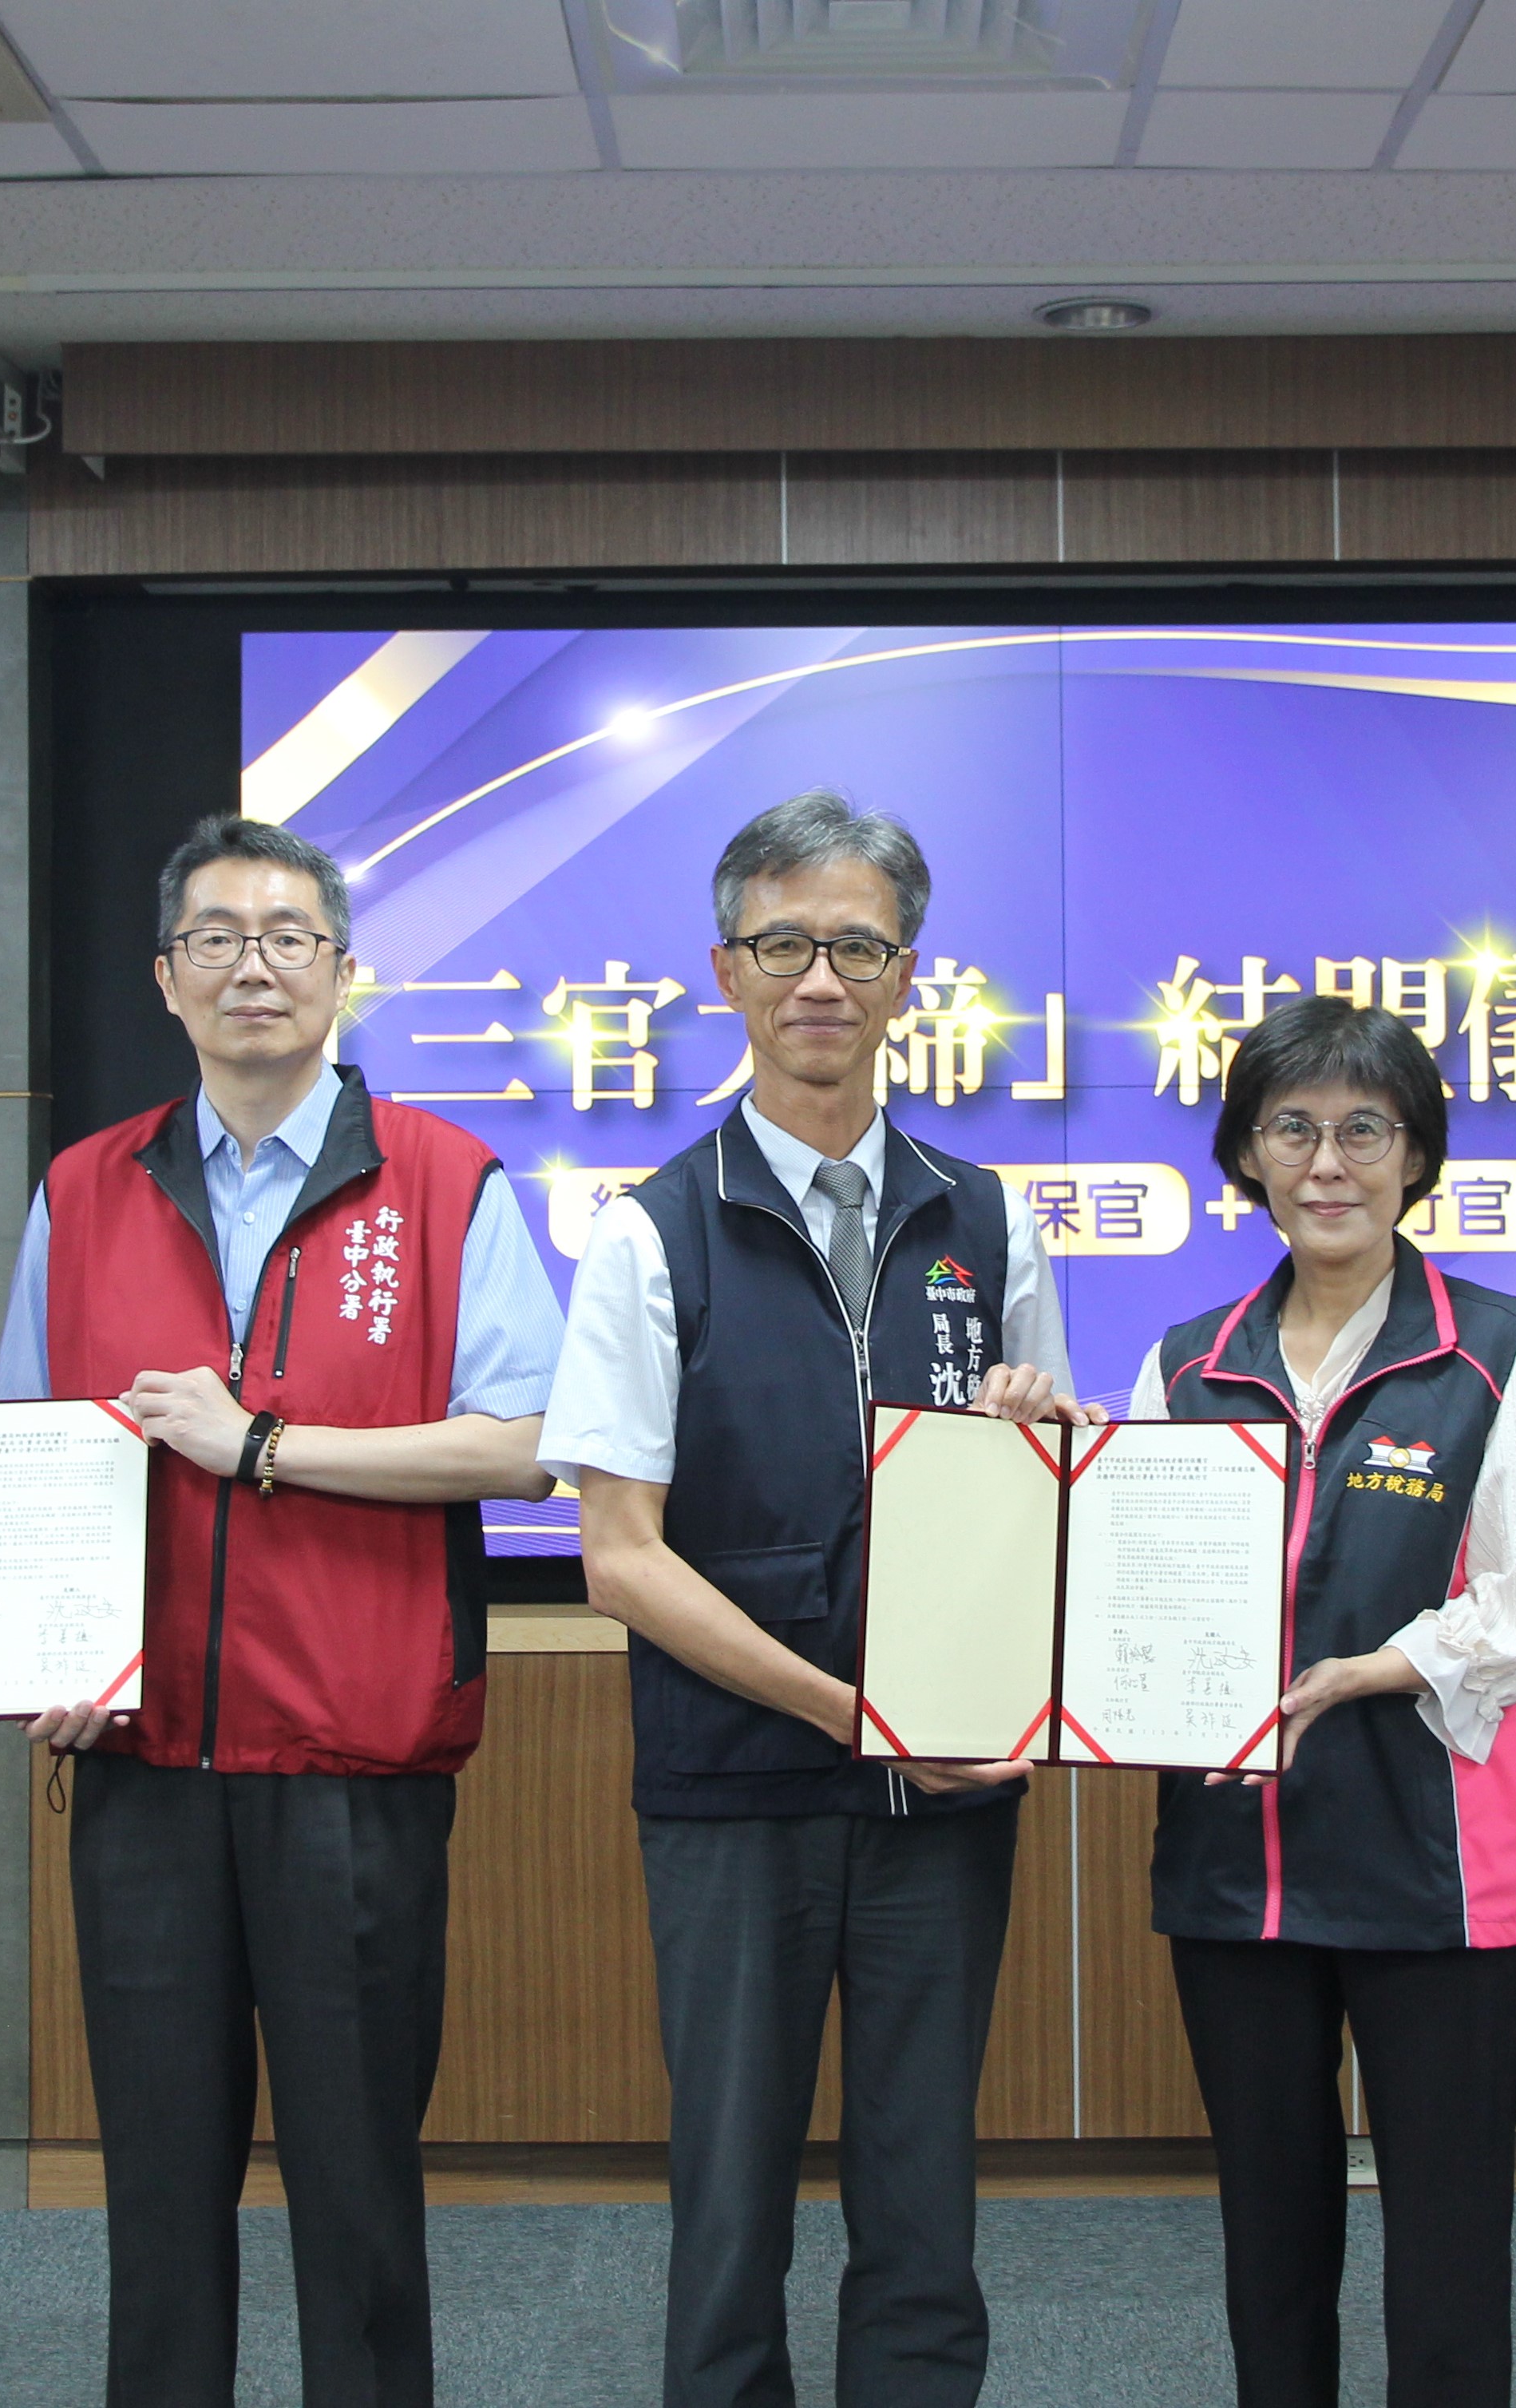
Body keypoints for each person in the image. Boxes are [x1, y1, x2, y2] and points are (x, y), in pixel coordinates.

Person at [0, 813, 564, 2408]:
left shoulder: (444, 1178)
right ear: (166, 977)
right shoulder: (83, 1189)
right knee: (157, 2187)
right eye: (218, 937)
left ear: (344, 972)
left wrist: (262, 1444)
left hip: (354, 1760)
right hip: (142, 1759)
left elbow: (526, 1444)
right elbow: (17, 1450)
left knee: (358, 2184)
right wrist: (36, 1651)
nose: (255, 964)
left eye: (289, 935)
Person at [543, 789, 1085, 2408]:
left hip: (947, 1791)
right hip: (733, 1790)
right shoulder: (652, 1234)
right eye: (784, 946)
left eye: (858, 946)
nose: (822, 980)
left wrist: (1042, 1446)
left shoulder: (988, 1218)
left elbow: (1043, 1500)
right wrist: (850, 1710)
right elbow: (620, 1555)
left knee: (924, 2192)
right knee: (730, 2198)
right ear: (726, 971)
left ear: (909, 974)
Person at [1133, 997, 1516, 2408]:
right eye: (1293, 1129)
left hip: (1435, 1874)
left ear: (1415, 1155)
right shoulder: (1185, 1364)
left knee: (1447, 2258)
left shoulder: (1495, 1350)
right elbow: (1140, 1588)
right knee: (1268, 2252)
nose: (1327, 1164)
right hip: (1236, 1869)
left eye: (1364, 1131)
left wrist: (1372, 1670)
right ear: (1245, 1156)